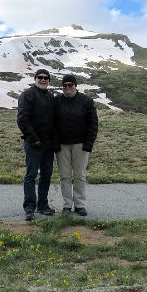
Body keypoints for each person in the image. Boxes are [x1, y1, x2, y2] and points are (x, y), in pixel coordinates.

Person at [54, 74, 98, 216]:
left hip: (80, 144)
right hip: (62, 145)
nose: (67, 88)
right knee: (65, 176)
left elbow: (93, 124)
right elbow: (52, 124)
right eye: (65, 85)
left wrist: (88, 144)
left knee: (80, 175)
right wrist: (55, 144)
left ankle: (79, 205)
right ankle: (67, 205)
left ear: (75, 86)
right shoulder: (57, 101)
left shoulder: (86, 101)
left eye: (70, 85)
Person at [17, 69, 55, 221]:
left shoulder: (51, 97)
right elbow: (22, 120)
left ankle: (43, 205)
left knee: (46, 175)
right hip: (33, 143)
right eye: (40, 77)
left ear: (49, 80)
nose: (43, 80)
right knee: (31, 175)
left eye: (46, 78)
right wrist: (34, 139)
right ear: (35, 79)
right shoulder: (27, 95)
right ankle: (29, 208)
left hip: (48, 144)